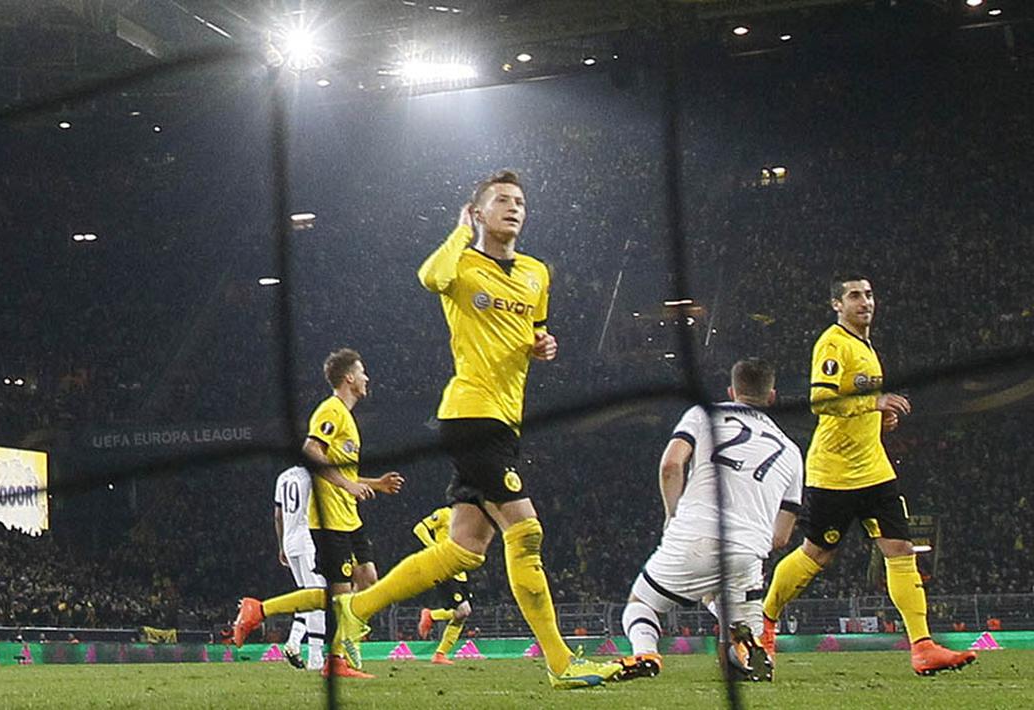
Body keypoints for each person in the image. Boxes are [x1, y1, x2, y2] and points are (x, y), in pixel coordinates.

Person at [330, 169, 625, 689]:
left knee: (464, 548)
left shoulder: (537, 273)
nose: (513, 208)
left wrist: (543, 344)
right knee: (526, 531)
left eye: (519, 202)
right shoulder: (461, 265)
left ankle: (356, 611)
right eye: (501, 201)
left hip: (506, 419)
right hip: (471, 413)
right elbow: (428, 276)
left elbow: (535, 331)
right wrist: (459, 232)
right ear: (479, 212)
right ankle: (561, 663)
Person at [760, 276, 977, 676]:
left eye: (870, 294)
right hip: (835, 473)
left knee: (900, 551)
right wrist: (873, 401)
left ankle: (922, 646)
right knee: (817, 555)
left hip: (874, 469)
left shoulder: (866, 347)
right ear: (836, 305)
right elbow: (821, 401)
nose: (865, 302)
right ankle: (767, 621)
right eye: (855, 296)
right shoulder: (833, 343)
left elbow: (854, 408)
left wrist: (877, 418)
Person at [617, 358, 802, 683]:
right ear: (772, 396)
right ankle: (743, 650)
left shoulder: (705, 414)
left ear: (731, 391)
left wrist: (672, 517)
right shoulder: (791, 450)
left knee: (641, 603)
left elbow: (671, 466)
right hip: (748, 551)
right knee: (731, 622)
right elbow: (782, 536)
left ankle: (646, 653)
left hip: (695, 532)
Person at [232, 348, 404, 679]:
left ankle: (346, 637)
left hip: (349, 517)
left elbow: (342, 473)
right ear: (349, 378)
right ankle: (324, 651)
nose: (367, 377)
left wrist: (374, 484)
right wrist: (348, 486)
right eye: (362, 371)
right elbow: (311, 450)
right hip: (328, 521)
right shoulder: (331, 410)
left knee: (368, 581)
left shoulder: (348, 418)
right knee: (337, 595)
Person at [273, 464, 326, 671]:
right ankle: (315, 657)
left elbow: (278, 516)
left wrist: (281, 547)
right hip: (307, 540)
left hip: (289, 541)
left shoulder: (283, 476)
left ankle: (294, 641)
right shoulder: (312, 475)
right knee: (318, 598)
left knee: (305, 596)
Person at [412, 507, 474, 665]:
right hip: (444, 567)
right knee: (463, 610)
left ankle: (440, 654)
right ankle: (431, 616)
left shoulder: (469, 520)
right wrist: (434, 548)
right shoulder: (444, 513)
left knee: (462, 614)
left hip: (460, 571)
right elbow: (419, 528)